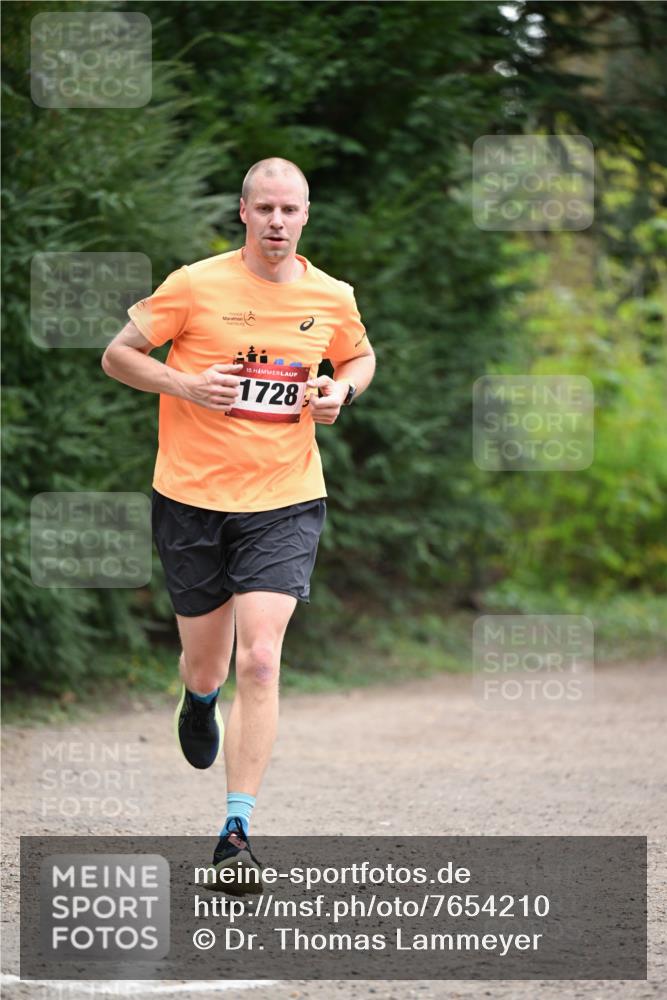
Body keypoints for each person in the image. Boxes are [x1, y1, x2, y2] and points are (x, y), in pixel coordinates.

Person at [101, 157, 376, 889]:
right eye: (265, 210)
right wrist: (185, 383)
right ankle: (196, 702)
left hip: (284, 498)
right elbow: (117, 355)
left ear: (306, 215)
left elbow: (359, 355)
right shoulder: (194, 284)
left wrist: (339, 392)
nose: (278, 222)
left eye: (290, 210)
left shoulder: (332, 295)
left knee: (259, 659)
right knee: (208, 665)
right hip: (190, 497)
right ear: (244, 214)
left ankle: (236, 831)